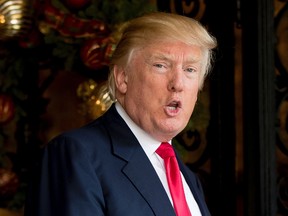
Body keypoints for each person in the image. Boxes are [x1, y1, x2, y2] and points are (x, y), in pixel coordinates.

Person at [24, 11, 217, 216]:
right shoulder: (76, 154)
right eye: (161, 65)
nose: (178, 84)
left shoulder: (187, 177)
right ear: (123, 79)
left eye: (190, 70)